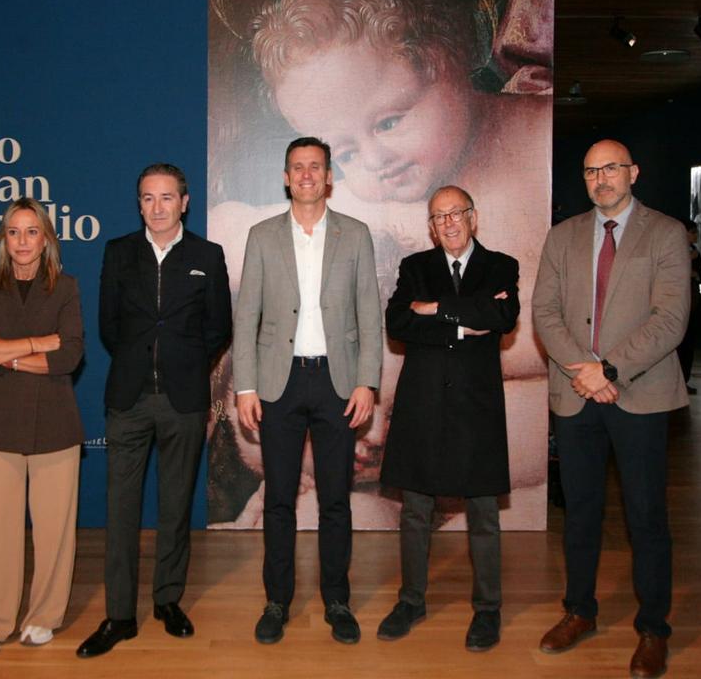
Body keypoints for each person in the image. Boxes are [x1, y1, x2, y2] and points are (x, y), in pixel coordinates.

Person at [206, 0, 552, 531]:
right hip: (373, 450)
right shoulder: (346, 200)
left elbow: (555, 336)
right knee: (327, 514)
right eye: (342, 150)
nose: (374, 161)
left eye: (390, 120)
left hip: (494, 444)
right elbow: (242, 238)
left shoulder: (539, 149)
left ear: (451, 53)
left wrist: (420, 347)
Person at [532, 140, 689, 679]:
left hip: (639, 394)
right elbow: (545, 313)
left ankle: (653, 628)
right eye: (591, 170)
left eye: (611, 169)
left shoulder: (665, 234)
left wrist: (611, 369)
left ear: (633, 173)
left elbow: (671, 320)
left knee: (645, 516)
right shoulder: (563, 236)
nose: (601, 178)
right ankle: (579, 611)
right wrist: (585, 370)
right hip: (577, 396)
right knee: (581, 514)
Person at [232, 136, 382, 645]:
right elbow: (246, 314)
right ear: (285, 176)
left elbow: (369, 315)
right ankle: (277, 600)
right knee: (279, 499)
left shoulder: (356, 235)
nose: (306, 175)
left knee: (336, 499)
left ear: (329, 176)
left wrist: (367, 381)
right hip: (278, 383)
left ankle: (337, 599)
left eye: (315, 167)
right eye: (297, 167)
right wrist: (246, 386)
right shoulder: (262, 235)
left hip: (338, 383)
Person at [77, 164, 232, 657]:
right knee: (121, 511)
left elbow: (218, 328)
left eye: (167, 197)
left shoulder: (208, 255)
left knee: (175, 506)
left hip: (184, 401)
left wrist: (183, 362)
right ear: (139, 203)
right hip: (129, 398)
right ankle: (119, 615)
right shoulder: (119, 253)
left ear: (184, 202)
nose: (158, 207)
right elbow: (108, 326)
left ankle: (168, 600)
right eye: (148, 198)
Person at [376, 186, 520, 652]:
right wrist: (464, 322)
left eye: (457, 213)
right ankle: (411, 601)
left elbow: (502, 314)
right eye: (439, 217)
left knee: (483, 515)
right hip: (423, 406)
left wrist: (436, 309)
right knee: (416, 512)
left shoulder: (501, 266)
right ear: (431, 227)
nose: (449, 223)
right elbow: (398, 322)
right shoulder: (415, 267)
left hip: (477, 408)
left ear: (473, 218)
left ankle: (488, 610)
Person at [0, 198, 85, 656]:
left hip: (55, 423)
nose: (23, 241)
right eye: (14, 232)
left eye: (32, 232)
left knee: (55, 532)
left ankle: (43, 617)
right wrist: (36, 345)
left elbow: (69, 356)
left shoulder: (66, 287)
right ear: (3, 239)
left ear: (47, 239)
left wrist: (4, 351)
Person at [676, 218, 701, 395]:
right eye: (692, 232)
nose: (695, 236)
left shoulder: (695, 253)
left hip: (693, 304)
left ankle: (684, 380)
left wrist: (695, 274)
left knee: (688, 346)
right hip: (679, 305)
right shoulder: (675, 252)